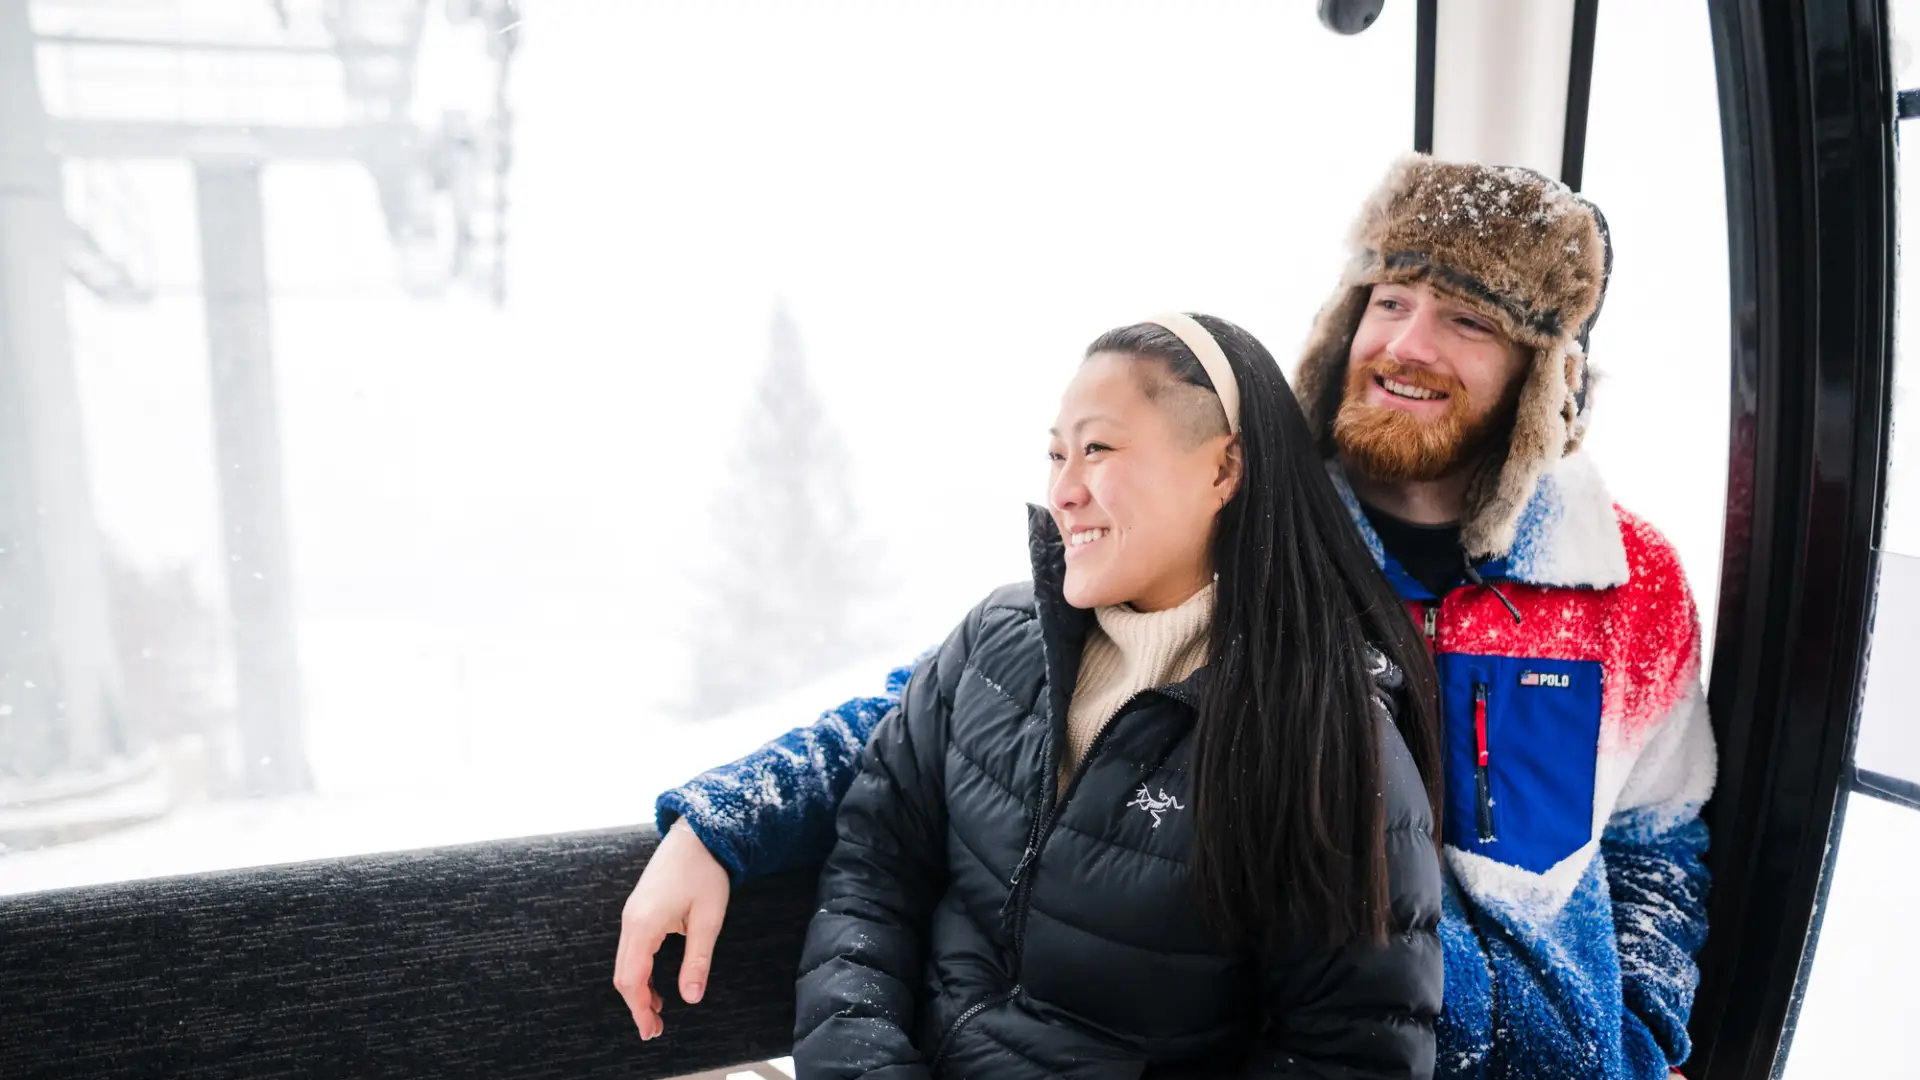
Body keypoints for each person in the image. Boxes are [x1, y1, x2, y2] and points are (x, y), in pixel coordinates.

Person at [615, 156, 1718, 1080]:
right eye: (1388, 301)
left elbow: (1659, 838)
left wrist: (1642, 1034)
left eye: (1466, 318)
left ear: (1541, 373)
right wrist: (722, 820)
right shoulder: (1255, 540)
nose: (1407, 344)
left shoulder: (1627, 588)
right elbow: (967, 709)